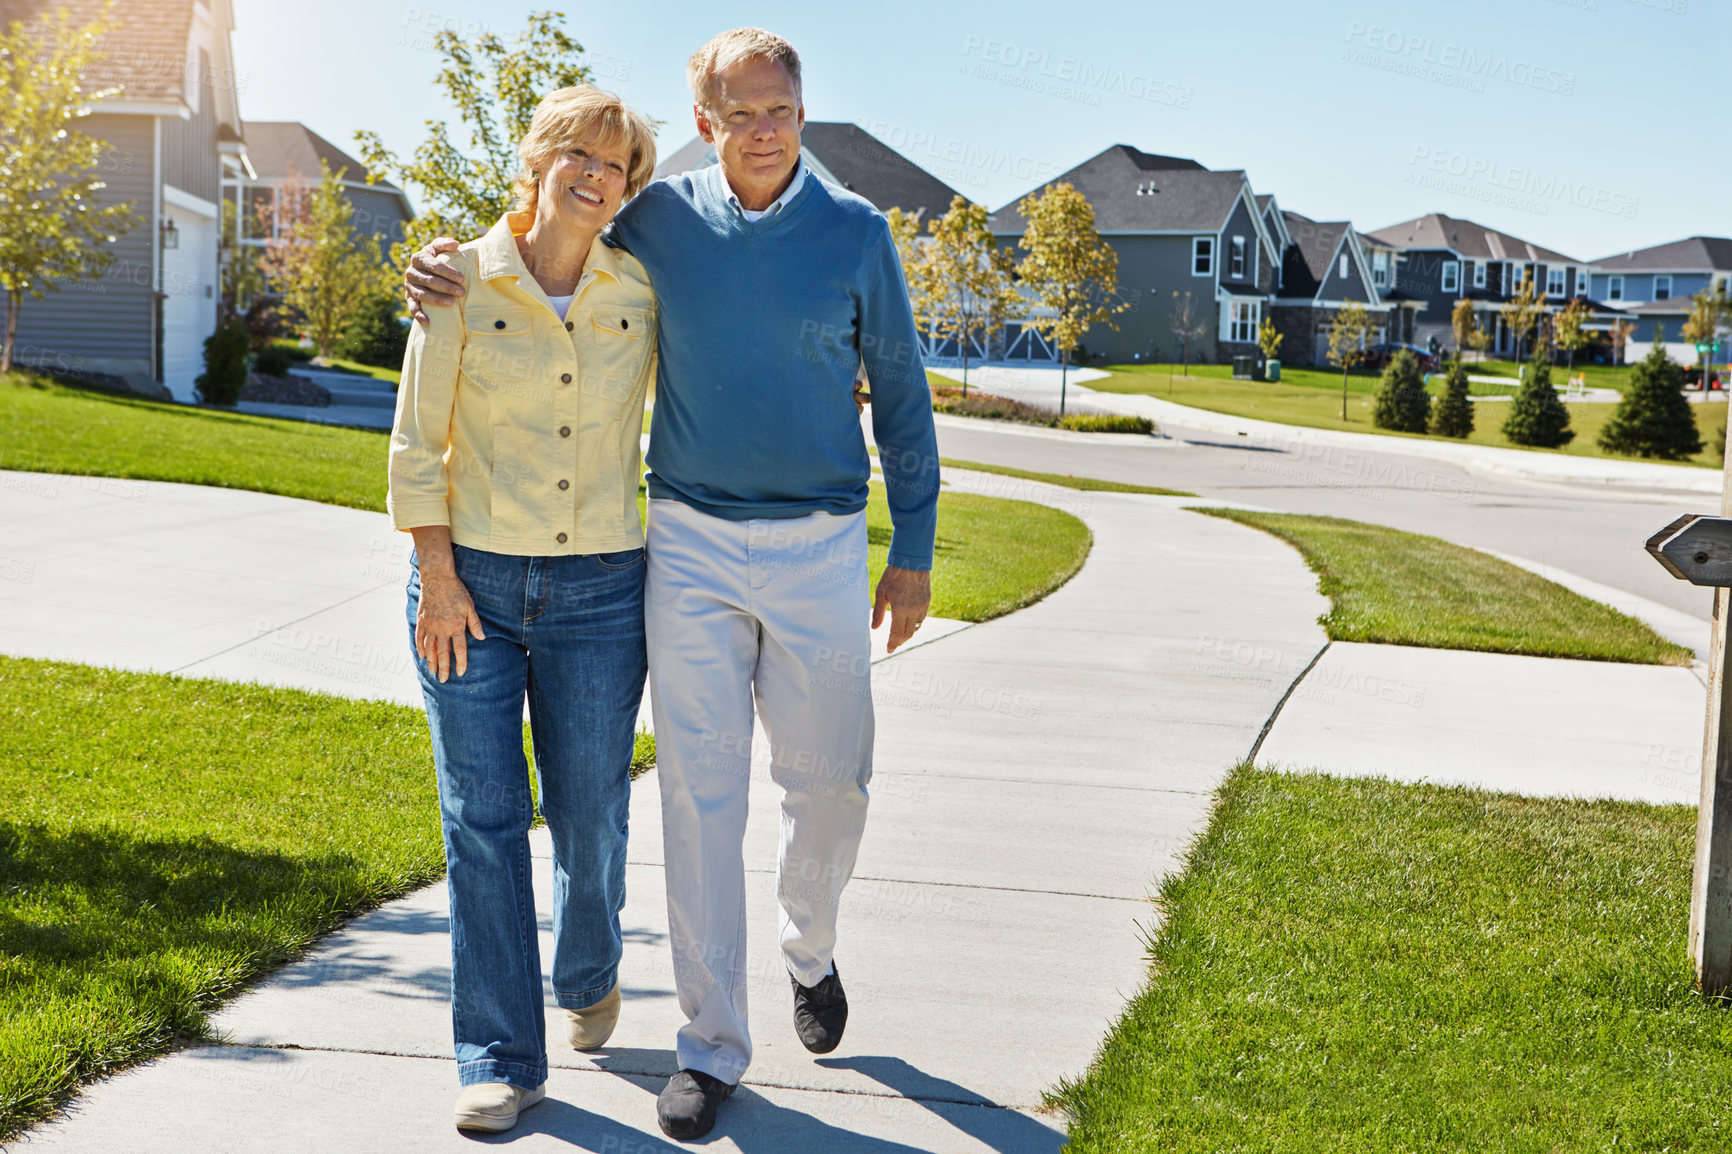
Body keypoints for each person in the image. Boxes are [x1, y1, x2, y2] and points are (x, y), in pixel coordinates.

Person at [406, 27, 942, 1142]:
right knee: (698, 802)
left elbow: (898, 392)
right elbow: (527, 245)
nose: (761, 130)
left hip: (822, 542)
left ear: (803, 111)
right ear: (703, 123)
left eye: (779, 110)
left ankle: (810, 945)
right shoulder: (655, 220)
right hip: (687, 539)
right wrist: (431, 264)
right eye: (738, 112)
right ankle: (709, 1048)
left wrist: (914, 546)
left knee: (832, 783)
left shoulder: (855, 232)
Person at [387, 85, 659, 1134]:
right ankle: (500, 1054)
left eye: (616, 164)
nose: (595, 174)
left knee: (590, 808)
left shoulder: (640, 291)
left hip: (600, 589)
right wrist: (440, 575)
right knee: (483, 819)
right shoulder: (458, 279)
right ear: (538, 160)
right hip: (471, 587)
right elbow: (418, 442)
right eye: (578, 155)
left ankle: (588, 962)